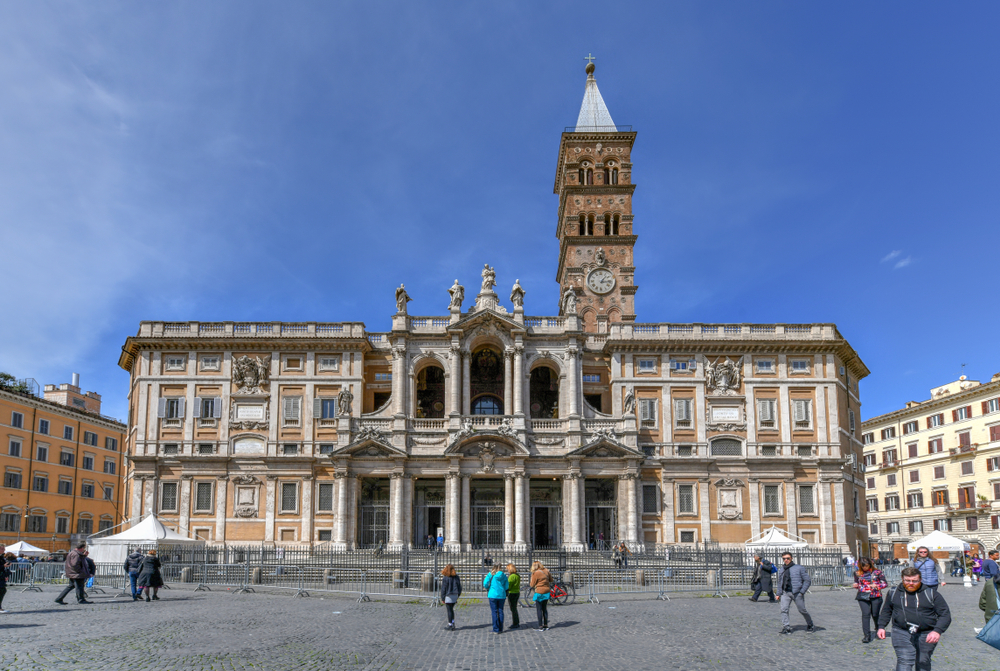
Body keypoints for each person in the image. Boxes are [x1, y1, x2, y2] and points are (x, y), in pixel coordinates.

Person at [877, 567, 951, 670]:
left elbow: (945, 614)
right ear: (902, 579)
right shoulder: (894, 593)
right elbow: (886, 610)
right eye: (907, 580)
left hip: (926, 632)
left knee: (923, 661)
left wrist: (937, 631)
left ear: (920, 580)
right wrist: (881, 626)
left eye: (914, 581)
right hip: (901, 630)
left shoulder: (931, 594)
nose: (911, 583)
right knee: (905, 660)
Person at [776, 552, 814, 634]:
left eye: (788, 558)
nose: (786, 560)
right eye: (784, 558)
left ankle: (810, 624)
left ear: (791, 558)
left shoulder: (799, 568)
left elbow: (807, 580)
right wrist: (778, 593)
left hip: (797, 593)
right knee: (784, 610)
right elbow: (780, 582)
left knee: (802, 610)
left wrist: (802, 592)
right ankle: (786, 627)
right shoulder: (782, 569)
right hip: (785, 592)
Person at [852, 558, 888, 643]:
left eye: (867, 566)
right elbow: (857, 582)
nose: (865, 568)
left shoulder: (877, 572)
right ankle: (866, 635)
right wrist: (856, 585)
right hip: (863, 596)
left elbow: (885, 583)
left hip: (875, 595)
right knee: (866, 614)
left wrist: (877, 585)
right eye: (863, 566)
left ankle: (878, 628)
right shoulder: (857, 573)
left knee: (875, 614)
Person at [483, 564, 509, 635]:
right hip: (502, 595)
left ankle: (495, 628)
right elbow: (507, 586)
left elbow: (485, 583)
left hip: (493, 594)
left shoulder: (491, 574)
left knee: (494, 612)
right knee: (500, 611)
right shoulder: (504, 575)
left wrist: (488, 587)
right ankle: (501, 628)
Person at [529, 561, 552, 631]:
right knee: (544, 609)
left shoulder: (535, 573)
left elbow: (532, 585)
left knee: (539, 609)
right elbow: (551, 580)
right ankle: (545, 625)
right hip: (547, 591)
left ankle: (540, 625)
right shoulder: (546, 570)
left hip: (539, 592)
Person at [439, 564, 462, 630]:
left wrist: (443, 598)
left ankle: (450, 624)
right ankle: (452, 622)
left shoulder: (445, 578)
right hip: (455, 595)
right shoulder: (456, 577)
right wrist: (457, 595)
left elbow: (443, 589)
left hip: (448, 595)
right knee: (451, 610)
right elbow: (459, 587)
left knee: (449, 610)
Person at [505, 563, 521, 629]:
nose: (507, 571)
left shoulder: (512, 576)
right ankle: (516, 622)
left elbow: (508, 585)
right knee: (514, 608)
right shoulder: (517, 575)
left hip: (512, 593)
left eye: (508, 569)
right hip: (517, 592)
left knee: (513, 608)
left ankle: (515, 623)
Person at [0, 545, 10, 614]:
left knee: (2, 590)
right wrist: (3, 565)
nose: (4, 550)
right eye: (2, 549)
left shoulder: (2, 557)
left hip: (1, 576)